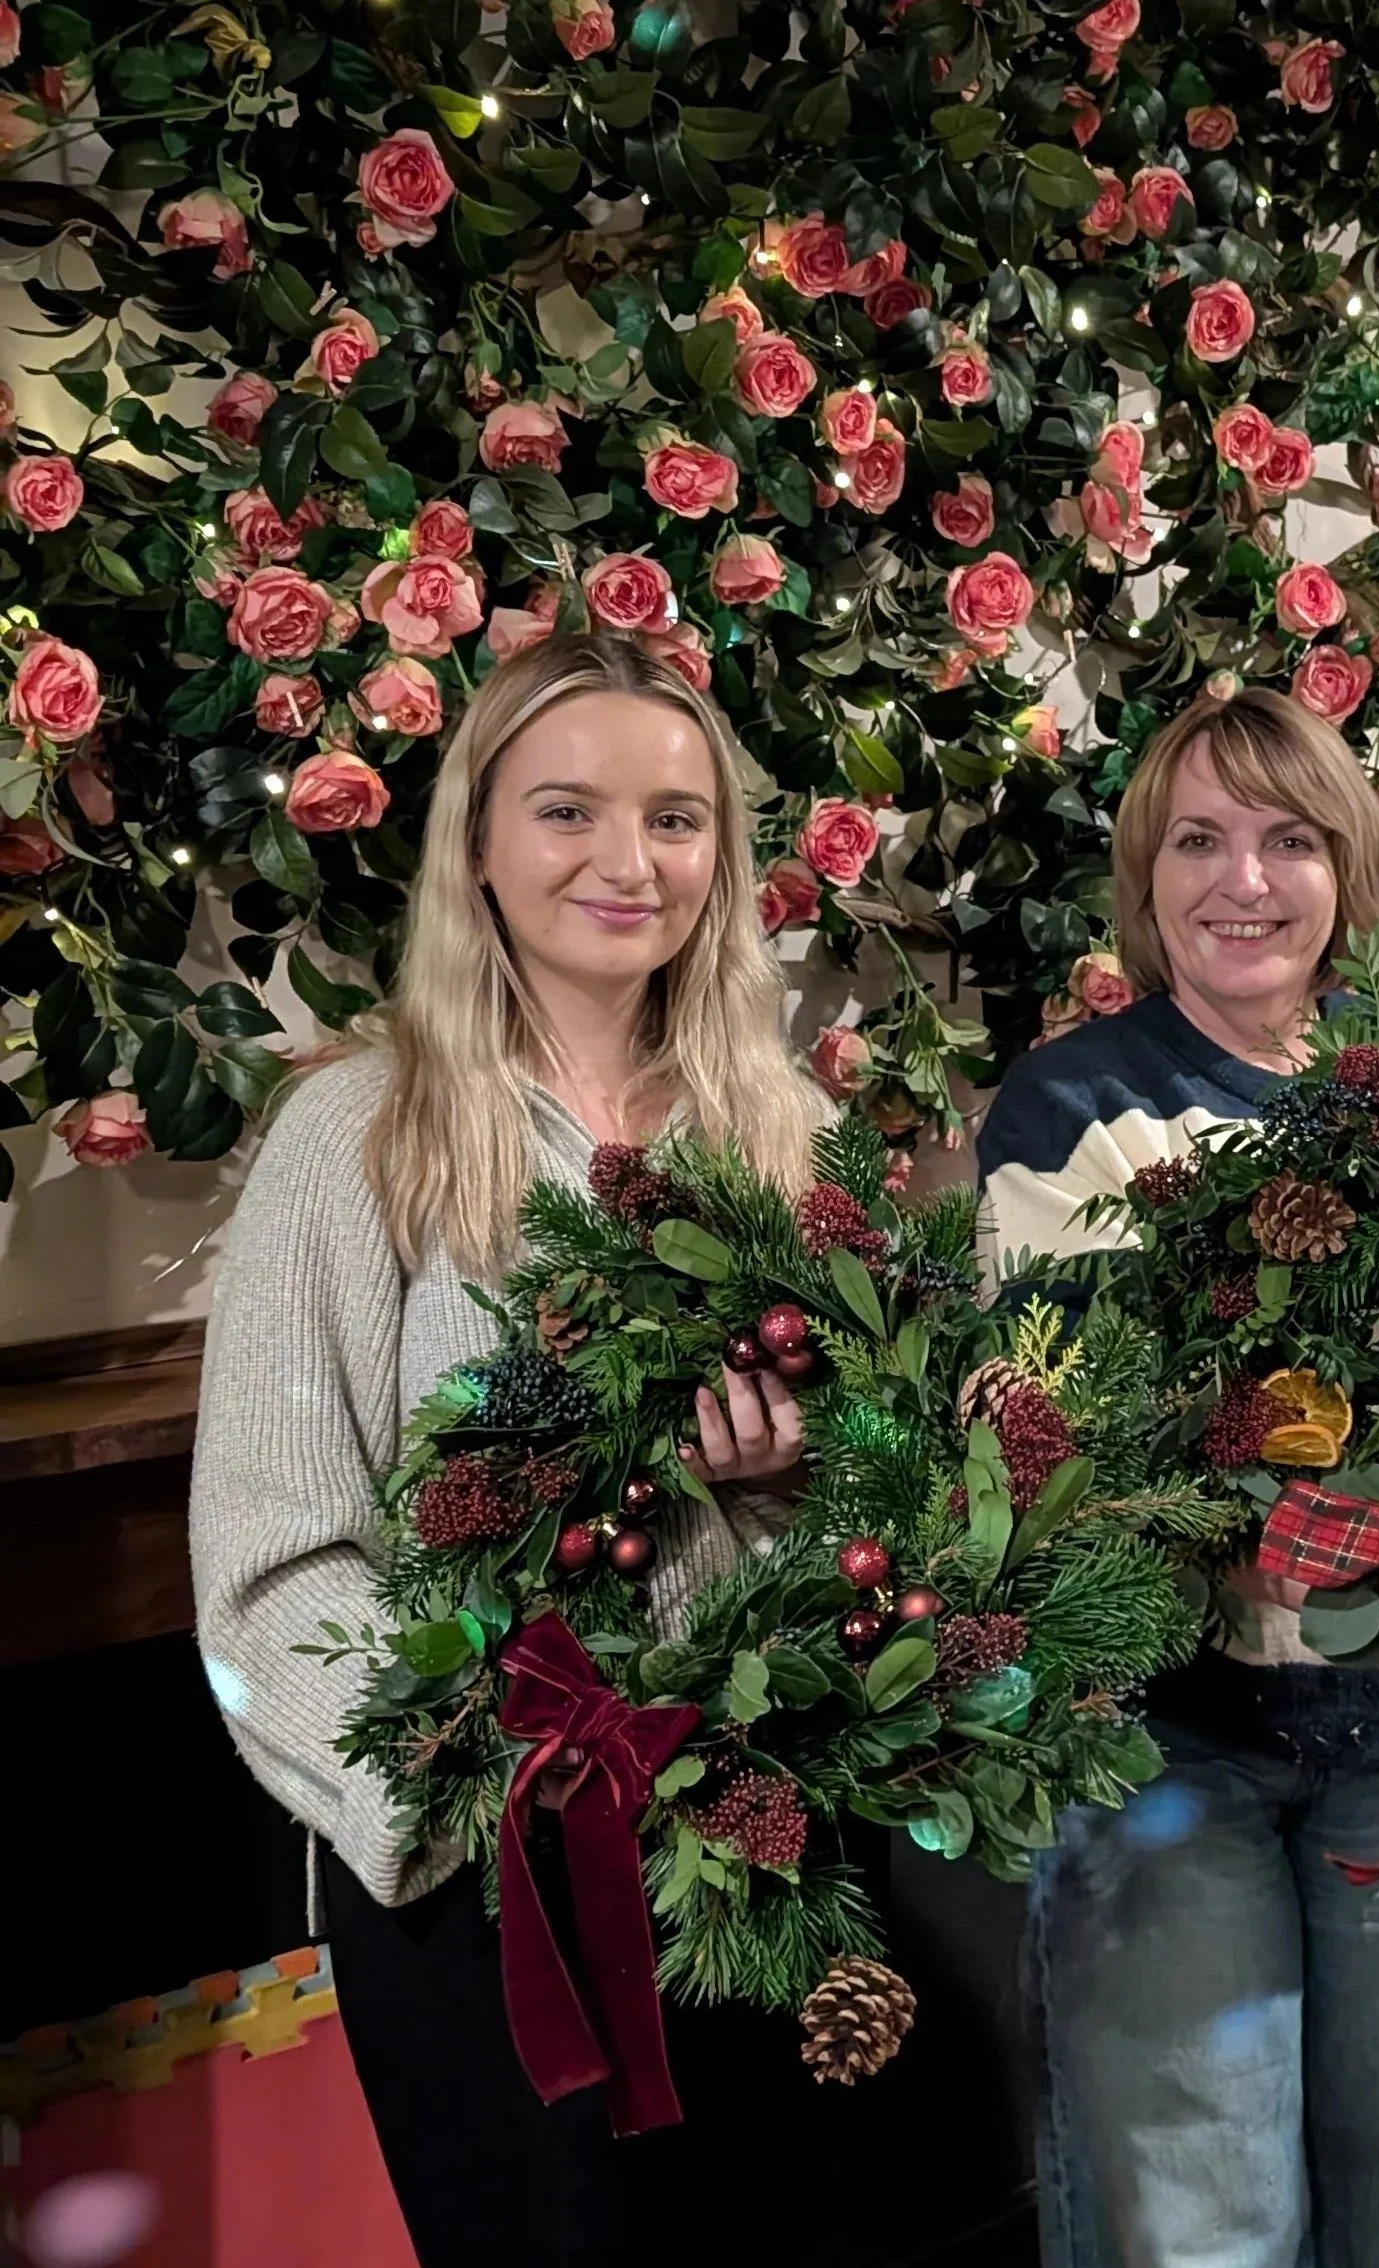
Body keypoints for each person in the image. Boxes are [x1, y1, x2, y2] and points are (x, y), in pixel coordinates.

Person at [189, 635, 842, 2266]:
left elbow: (878, 1514)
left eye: (677, 821)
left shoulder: (781, 1136)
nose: (630, 864)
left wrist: (785, 1487)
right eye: (570, 811)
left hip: (736, 1843)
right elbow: (272, 1561)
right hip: (471, 1890)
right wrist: (457, 1776)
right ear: (477, 839)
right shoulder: (363, 1134)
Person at [977, 688, 1379, 2268]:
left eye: (1287, 840)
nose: (1243, 882)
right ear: (1147, 878)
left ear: (1348, 871)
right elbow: (1062, 1440)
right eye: (1199, 840)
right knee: (1200, 2217)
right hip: (1166, 1742)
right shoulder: (1076, 1110)